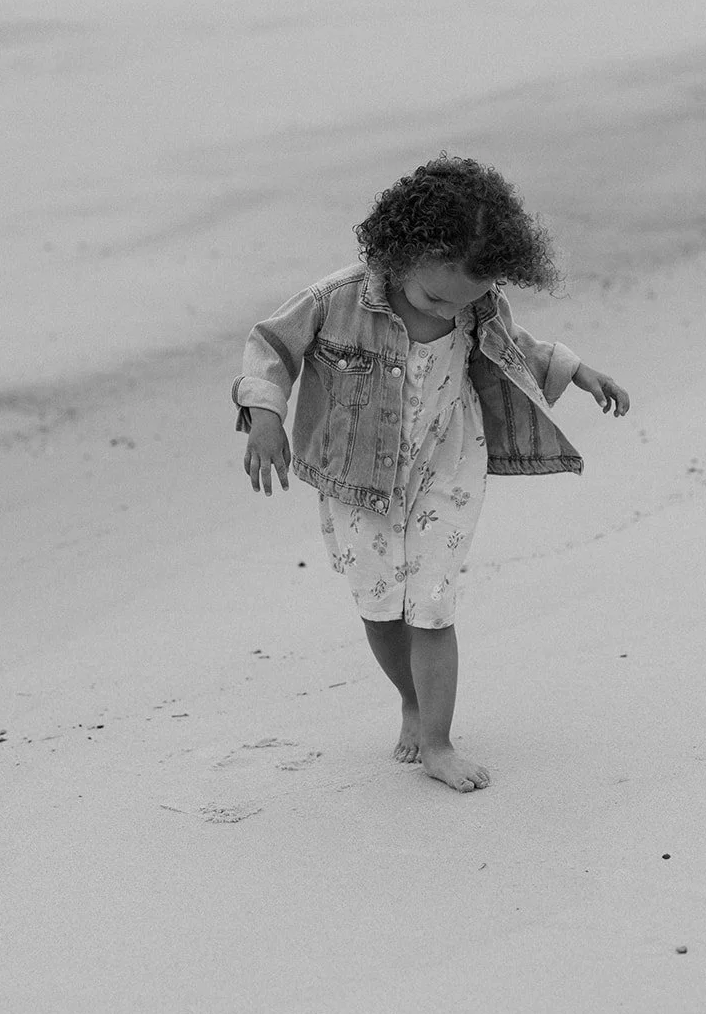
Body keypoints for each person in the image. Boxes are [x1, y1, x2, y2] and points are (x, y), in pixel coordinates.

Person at [233, 154, 629, 793]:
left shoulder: (477, 305)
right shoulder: (335, 300)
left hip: (449, 464)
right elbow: (270, 347)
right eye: (435, 297)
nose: (451, 309)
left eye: (466, 299)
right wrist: (264, 417)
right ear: (400, 251)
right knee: (382, 608)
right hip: (359, 479)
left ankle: (440, 743)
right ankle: (412, 701)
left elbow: (513, 344)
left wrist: (578, 370)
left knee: (432, 606)